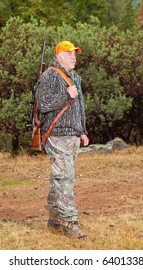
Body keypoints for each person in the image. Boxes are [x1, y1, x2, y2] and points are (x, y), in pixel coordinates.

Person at [36, 41, 89, 238]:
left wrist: (82, 131)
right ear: (59, 57)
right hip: (57, 135)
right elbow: (43, 104)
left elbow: (79, 107)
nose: (73, 57)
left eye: (74, 53)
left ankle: (54, 220)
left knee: (58, 178)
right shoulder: (50, 75)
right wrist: (65, 95)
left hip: (72, 135)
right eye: (68, 54)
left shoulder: (75, 77)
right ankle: (69, 223)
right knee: (65, 179)